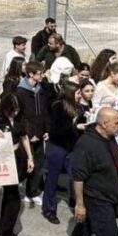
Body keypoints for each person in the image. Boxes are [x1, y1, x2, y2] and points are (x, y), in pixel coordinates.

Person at [57, 107, 118, 236]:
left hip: (110, 195)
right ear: (104, 123)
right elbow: (78, 178)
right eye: (117, 122)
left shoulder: (108, 137)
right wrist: (80, 204)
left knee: (88, 227)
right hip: (96, 198)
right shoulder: (86, 144)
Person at [0, 92, 33, 236]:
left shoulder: (20, 118)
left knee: (9, 197)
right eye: (12, 110)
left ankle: (3, 227)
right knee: (14, 199)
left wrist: (30, 157)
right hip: (4, 160)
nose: (15, 113)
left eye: (17, 110)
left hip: (18, 158)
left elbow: (24, 137)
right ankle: (6, 234)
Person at [15, 61, 54, 206]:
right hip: (27, 135)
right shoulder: (20, 92)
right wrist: (28, 133)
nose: (42, 75)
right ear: (31, 74)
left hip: (39, 132)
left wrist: (46, 130)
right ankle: (13, 187)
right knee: (23, 164)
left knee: (38, 165)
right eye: (40, 73)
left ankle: (32, 192)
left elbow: (45, 112)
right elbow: (20, 117)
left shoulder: (41, 89)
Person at [44, 82, 78, 225]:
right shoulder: (58, 106)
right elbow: (56, 130)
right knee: (52, 179)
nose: (79, 95)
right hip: (57, 147)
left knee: (75, 176)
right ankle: (49, 209)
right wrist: (73, 126)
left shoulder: (74, 106)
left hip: (70, 148)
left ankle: (76, 203)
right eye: (77, 93)